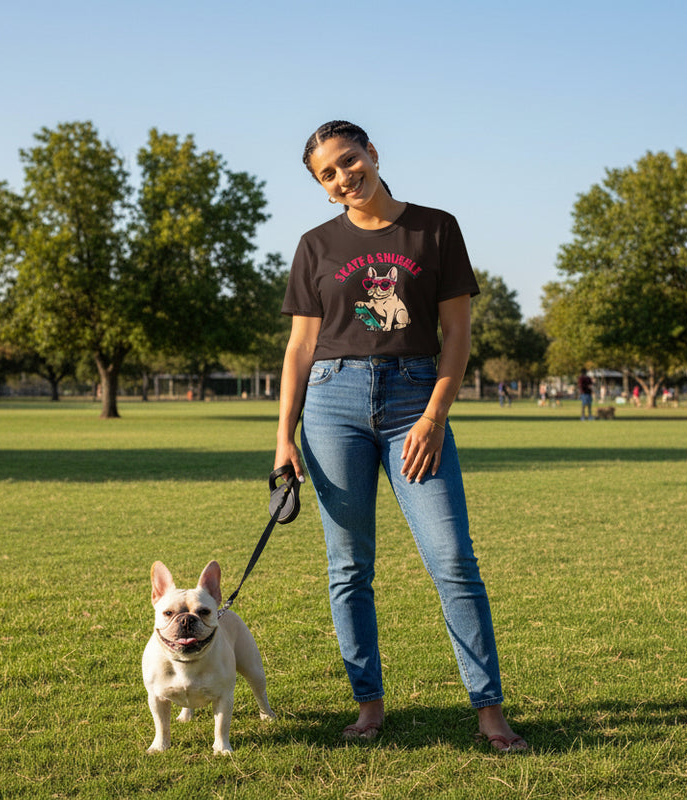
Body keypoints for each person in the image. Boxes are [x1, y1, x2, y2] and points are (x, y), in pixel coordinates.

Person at [274, 120, 526, 753]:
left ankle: (489, 711)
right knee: (349, 566)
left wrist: (434, 417)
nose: (342, 178)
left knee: (452, 559)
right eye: (327, 175)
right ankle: (369, 708)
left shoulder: (436, 228)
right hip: (332, 405)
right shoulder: (314, 245)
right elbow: (300, 347)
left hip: (416, 397)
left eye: (349, 161)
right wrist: (283, 437)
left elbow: (458, 335)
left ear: (373, 154)